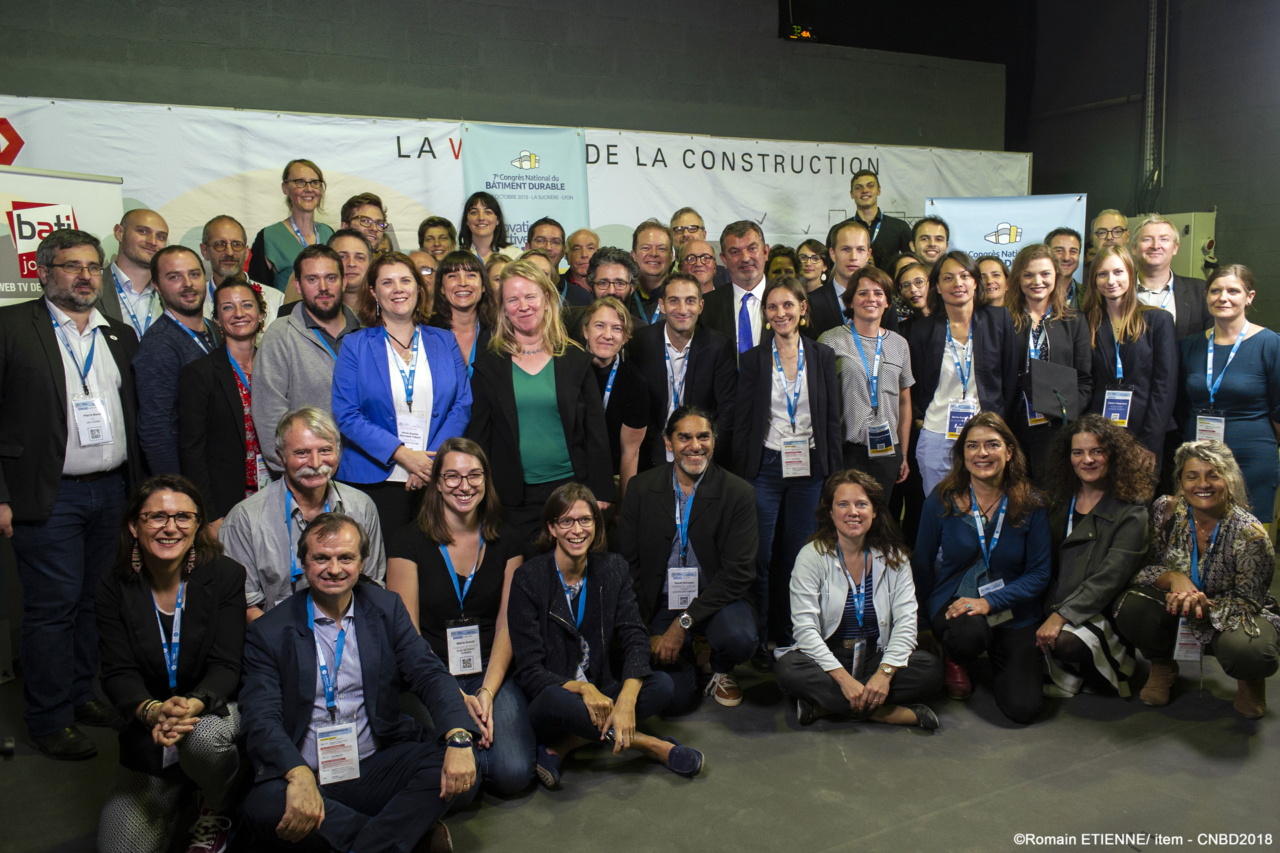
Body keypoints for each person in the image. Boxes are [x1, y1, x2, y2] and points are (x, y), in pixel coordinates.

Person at [239, 512, 477, 852]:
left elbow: (428, 672)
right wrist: (297, 773)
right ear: (303, 563)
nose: (334, 569)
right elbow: (260, 717)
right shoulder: (270, 631)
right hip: (309, 774)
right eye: (321, 558)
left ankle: (361, 841)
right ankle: (406, 838)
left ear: (362, 561)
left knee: (461, 764)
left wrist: (457, 736)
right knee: (264, 807)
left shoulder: (385, 608)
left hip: (374, 764)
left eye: (345, 558)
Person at [1, 229, 145, 759]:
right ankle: (48, 716)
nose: (85, 276)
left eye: (92, 267)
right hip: (47, 494)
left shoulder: (118, 335)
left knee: (95, 602)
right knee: (52, 608)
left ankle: (83, 696)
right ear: (43, 272)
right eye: (71, 266)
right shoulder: (13, 326)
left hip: (111, 491)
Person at [508, 484, 702, 788]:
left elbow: (636, 636)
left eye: (585, 520)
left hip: (603, 691)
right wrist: (583, 691)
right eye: (566, 521)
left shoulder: (613, 568)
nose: (577, 530)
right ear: (551, 528)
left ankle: (564, 747)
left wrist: (626, 698)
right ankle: (651, 745)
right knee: (558, 701)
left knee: (662, 685)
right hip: (555, 696)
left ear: (596, 526)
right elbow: (530, 671)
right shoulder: (529, 578)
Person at [94, 475, 246, 853]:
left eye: (183, 517)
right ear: (134, 526)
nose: (170, 527)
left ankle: (216, 802)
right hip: (150, 730)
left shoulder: (225, 576)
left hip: (211, 711)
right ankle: (181, 795)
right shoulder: (113, 587)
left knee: (203, 740)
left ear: (197, 525)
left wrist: (190, 705)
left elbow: (227, 664)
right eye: (156, 517)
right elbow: (117, 673)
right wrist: (153, 711)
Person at [385, 438, 534, 796]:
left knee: (513, 776)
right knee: (462, 789)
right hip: (432, 673)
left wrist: (486, 691)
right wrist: (452, 695)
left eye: (474, 475)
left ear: (486, 481)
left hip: (489, 668)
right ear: (436, 482)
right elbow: (410, 637)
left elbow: (506, 624)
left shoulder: (508, 541)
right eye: (452, 476)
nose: (464, 486)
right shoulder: (407, 542)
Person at [1113, 441, 1279, 718]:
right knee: (1131, 606)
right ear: (1180, 480)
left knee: (1249, 649)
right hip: (1174, 602)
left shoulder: (1251, 534)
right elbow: (1139, 571)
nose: (1203, 484)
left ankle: (1250, 682)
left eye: (1213, 475)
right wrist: (1173, 577)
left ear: (1230, 479)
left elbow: (1249, 599)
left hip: (1232, 612)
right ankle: (1162, 666)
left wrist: (1201, 606)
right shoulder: (1164, 511)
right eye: (1192, 476)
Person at [617, 406, 759, 713]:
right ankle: (697, 652)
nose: (695, 445)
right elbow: (627, 565)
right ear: (668, 443)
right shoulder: (641, 489)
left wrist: (682, 624)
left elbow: (738, 574)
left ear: (714, 441)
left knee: (740, 638)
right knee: (677, 700)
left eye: (703, 436)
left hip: (716, 601)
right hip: (662, 602)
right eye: (685, 437)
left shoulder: (738, 493)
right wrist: (645, 630)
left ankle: (720, 665)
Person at [912, 413, 1050, 724]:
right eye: (972, 446)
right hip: (956, 605)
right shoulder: (942, 499)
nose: (982, 453)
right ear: (963, 454)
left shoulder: (1032, 503)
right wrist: (921, 624)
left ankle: (1004, 655)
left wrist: (989, 602)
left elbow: (1039, 574)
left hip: (1013, 609)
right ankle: (956, 655)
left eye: (992, 445)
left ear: (1009, 451)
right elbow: (920, 563)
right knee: (968, 635)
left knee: (1023, 708)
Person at [775, 470, 942, 728]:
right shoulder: (811, 557)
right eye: (843, 504)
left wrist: (885, 674)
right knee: (788, 669)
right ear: (830, 513)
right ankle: (887, 713)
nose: (853, 512)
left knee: (930, 669)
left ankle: (825, 707)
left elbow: (907, 624)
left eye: (861, 504)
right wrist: (843, 679)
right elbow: (805, 630)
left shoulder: (894, 557)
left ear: (874, 512)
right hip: (830, 659)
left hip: (877, 656)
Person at [466, 259, 614, 548]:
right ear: (503, 308)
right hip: (511, 499)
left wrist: (601, 491)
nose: (523, 306)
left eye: (530, 296)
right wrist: (479, 495)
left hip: (571, 494)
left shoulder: (575, 361)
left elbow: (596, 432)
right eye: (513, 299)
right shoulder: (488, 367)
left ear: (546, 299)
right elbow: (479, 440)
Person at [735, 276, 842, 664]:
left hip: (810, 468)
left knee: (800, 557)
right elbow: (743, 419)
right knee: (760, 556)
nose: (781, 313)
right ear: (765, 315)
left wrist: (833, 473)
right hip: (765, 465)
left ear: (802, 309)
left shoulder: (823, 356)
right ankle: (760, 636)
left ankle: (794, 635)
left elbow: (832, 418)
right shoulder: (753, 359)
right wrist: (743, 471)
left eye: (788, 305)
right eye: (773, 307)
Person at [331, 252, 471, 534]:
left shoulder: (444, 340)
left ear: (418, 288)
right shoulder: (354, 345)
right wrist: (403, 454)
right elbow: (347, 414)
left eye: (405, 280)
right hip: (372, 482)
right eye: (387, 282)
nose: (398, 289)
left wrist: (428, 461)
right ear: (373, 291)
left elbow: (462, 404)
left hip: (435, 478)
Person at [219, 406, 385, 620]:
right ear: (280, 457)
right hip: (276, 641)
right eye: (302, 453)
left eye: (325, 450)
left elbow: (372, 587)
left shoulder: (362, 507)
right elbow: (244, 605)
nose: (315, 463)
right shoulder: (245, 519)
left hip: (346, 633)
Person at [1037, 415, 1152, 698]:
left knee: (1065, 642)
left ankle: (1100, 672)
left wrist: (1061, 615)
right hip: (1054, 599)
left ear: (1112, 455)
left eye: (1097, 451)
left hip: (1100, 608)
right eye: (1078, 452)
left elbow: (1109, 579)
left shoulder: (1132, 512)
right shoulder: (1058, 499)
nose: (1087, 460)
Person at [907, 251, 1019, 497]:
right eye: (948, 278)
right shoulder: (922, 329)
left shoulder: (999, 320)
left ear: (975, 282)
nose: (957, 283)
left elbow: (1010, 380)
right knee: (940, 508)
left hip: (986, 433)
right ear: (937, 286)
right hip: (937, 432)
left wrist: (1000, 425)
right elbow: (913, 384)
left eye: (964, 276)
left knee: (985, 505)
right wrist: (919, 419)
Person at [1177, 265, 1280, 523]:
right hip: (1198, 459)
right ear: (1206, 296)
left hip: (1251, 458)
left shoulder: (1270, 343)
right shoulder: (1190, 345)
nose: (1223, 297)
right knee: (1198, 534)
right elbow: (1180, 402)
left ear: (1250, 297)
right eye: (1215, 291)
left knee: (1247, 541)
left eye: (1233, 291)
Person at [253, 244, 362, 473]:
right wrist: (305, 473)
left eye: (330, 278)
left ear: (343, 282)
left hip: (366, 472)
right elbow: (270, 418)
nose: (323, 287)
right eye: (312, 279)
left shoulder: (366, 333)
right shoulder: (281, 335)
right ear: (298, 286)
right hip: (308, 476)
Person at [178, 279, 269, 533]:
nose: (239, 313)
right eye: (228, 308)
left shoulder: (275, 366)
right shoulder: (200, 373)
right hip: (226, 503)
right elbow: (192, 452)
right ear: (217, 319)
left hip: (274, 494)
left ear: (261, 313)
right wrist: (209, 515)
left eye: (247, 305)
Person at [818, 267, 913, 503]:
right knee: (845, 516)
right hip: (845, 450)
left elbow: (904, 401)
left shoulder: (899, 344)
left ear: (887, 302)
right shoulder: (830, 340)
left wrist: (903, 454)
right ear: (850, 301)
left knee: (880, 519)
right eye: (862, 293)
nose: (871, 299)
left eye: (878, 293)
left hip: (887, 450)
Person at [627, 272, 737, 471]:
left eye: (690, 301)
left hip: (701, 449)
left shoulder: (719, 347)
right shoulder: (639, 343)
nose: (682, 309)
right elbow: (633, 406)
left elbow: (728, 411)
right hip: (651, 449)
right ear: (662, 305)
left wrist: (706, 450)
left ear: (701, 306)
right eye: (674, 301)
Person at [1081, 244, 1177, 473]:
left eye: (1118, 272)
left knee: (1135, 503)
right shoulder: (1086, 323)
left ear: (1131, 275)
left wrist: (1150, 443)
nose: (1110, 280)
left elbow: (1165, 387)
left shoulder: (1158, 320)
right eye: (1102, 274)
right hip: (1098, 434)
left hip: (1143, 432)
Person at [1005, 244, 1093, 485]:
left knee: (1053, 496)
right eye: (1028, 274)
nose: (1037, 281)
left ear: (1056, 276)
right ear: (1018, 278)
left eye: (1045, 274)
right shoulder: (1004, 319)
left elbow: (1084, 381)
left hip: (1057, 428)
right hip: (1012, 425)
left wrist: (1064, 413)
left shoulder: (1074, 321)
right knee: (1017, 494)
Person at [134, 246, 221, 476]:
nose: (188, 284)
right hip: (190, 477)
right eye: (174, 277)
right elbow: (155, 428)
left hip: (219, 468)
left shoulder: (215, 330)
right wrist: (176, 489)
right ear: (156, 286)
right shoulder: (159, 344)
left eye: (194, 274)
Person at [580, 297, 649, 502]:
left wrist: (623, 508)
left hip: (613, 474)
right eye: (599, 326)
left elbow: (630, 452)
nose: (607, 336)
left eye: (617, 329)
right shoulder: (568, 371)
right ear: (586, 331)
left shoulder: (635, 382)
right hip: (570, 473)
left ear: (626, 336)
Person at [248, 159, 335, 292]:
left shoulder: (328, 233)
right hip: (288, 312)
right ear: (285, 188)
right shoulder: (269, 237)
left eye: (314, 183)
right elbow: (257, 293)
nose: (309, 189)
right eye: (300, 182)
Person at [1133, 215, 1212, 341]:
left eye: (1164, 239)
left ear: (1175, 248)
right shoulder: (1118, 290)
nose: (1155, 245)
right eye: (1147, 239)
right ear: (1134, 248)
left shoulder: (1200, 291)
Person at [199, 215, 283, 329]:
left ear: (246, 252)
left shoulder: (276, 301)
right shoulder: (196, 303)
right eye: (219, 244)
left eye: (236, 244)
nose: (229, 252)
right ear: (205, 251)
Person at [97, 209, 169, 340]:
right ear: (119, 233)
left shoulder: (170, 291)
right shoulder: (91, 288)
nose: (153, 242)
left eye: (160, 237)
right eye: (143, 231)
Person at [701, 220, 769, 355]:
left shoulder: (790, 302)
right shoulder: (705, 307)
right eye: (735, 252)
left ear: (766, 252)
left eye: (752, 249)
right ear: (724, 260)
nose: (745, 258)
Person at [431, 249, 497, 378]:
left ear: (483, 286)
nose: (462, 283)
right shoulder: (428, 333)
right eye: (452, 276)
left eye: (471, 275)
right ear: (441, 287)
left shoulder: (500, 333)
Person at [813, 220, 874, 337]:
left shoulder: (880, 302)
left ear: (868, 255)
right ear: (833, 254)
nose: (853, 257)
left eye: (860, 249)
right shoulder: (812, 301)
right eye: (846, 249)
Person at [849, 170, 913, 268]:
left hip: (888, 283)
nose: (865, 190)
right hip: (852, 283)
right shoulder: (841, 230)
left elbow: (911, 265)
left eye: (870, 186)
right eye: (858, 187)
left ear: (879, 190)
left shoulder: (900, 227)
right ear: (851, 194)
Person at [528, 216, 589, 307]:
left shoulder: (582, 297)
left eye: (555, 242)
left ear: (563, 251)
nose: (548, 248)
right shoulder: (515, 293)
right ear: (527, 248)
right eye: (540, 241)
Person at [669, 206, 731, 288]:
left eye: (693, 228)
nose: (686, 234)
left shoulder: (728, 277)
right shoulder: (659, 277)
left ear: (704, 235)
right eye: (679, 230)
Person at [632, 220, 674, 324]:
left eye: (661, 249)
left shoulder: (681, 298)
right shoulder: (622, 296)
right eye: (646, 248)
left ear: (671, 256)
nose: (654, 253)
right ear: (633, 255)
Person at [458, 191, 519, 264]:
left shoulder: (516, 256)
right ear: (466, 221)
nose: (481, 218)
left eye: (488, 212)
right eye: (474, 212)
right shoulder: (457, 258)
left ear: (498, 220)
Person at [327, 229, 373, 313]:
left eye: (359, 257)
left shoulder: (385, 309)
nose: (351, 263)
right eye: (342, 257)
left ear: (370, 264)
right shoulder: (315, 308)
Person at [1045, 226, 1084, 307]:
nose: (1066, 257)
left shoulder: (1090, 296)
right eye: (1059, 251)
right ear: (1046, 253)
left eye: (1073, 251)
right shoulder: (1030, 293)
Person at [563, 227, 599, 297]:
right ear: (567, 257)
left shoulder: (610, 287)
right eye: (577, 249)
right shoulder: (556, 288)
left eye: (590, 248)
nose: (584, 255)